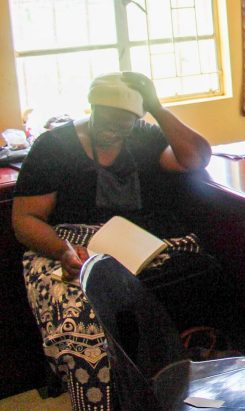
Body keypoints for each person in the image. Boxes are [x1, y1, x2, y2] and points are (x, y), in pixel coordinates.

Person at [12, 72, 214, 411]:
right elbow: (25, 220)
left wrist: (156, 107)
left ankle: (169, 387)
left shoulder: (144, 137)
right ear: (91, 108)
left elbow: (196, 158)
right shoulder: (54, 146)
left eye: (124, 122)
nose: (112, 130)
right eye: (105, 119)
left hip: (134, 241)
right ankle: (103, 402)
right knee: (82, 310)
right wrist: (63, 251)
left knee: (196, 272)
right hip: (67, 245)